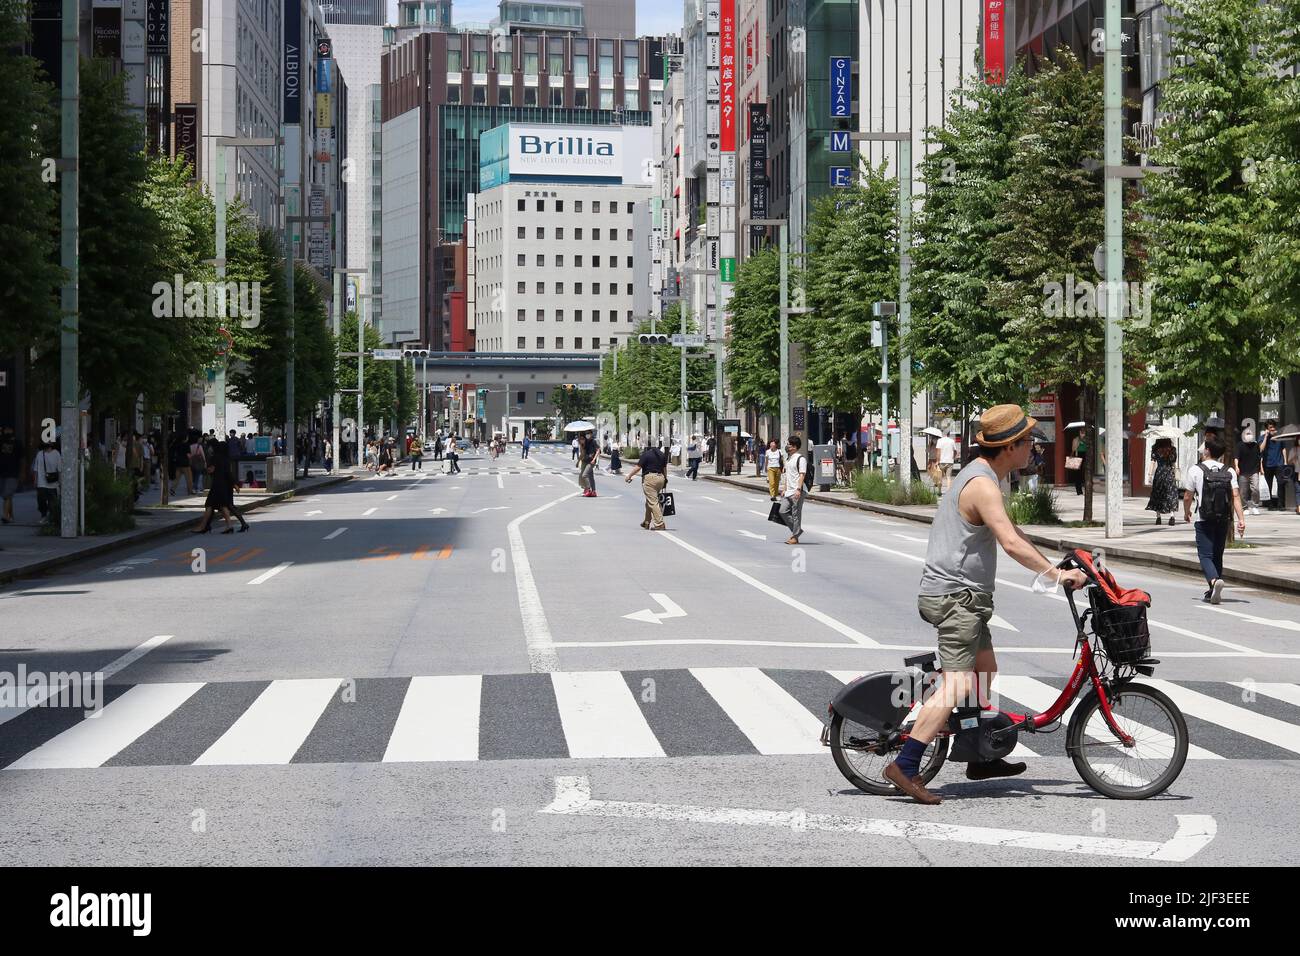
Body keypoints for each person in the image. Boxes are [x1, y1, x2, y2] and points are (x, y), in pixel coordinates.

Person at [883, 405, 1089, 805]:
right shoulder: (982, 484)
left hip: (967, 599)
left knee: (985, 671)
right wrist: (1055, 576)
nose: (1033, 446)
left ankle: (979, 755)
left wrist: (1056, 559)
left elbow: (1012, 532)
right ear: (1010, 446)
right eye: (1029, 440)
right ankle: (905, 766)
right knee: (958, 682)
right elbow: (1010, 544)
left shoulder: (985, 476)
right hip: (954, 598)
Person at [1183, 434, 1245, 605]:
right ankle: (1213, 590)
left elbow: (1188, 496)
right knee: (1217, 554)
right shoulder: (1229, 471)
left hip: (1203, 518)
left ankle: (1213, 582)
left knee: (1205, 555)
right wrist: (1241, 519)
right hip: (1223, 519)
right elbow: (1236, 496)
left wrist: (1186, 512)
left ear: (1207, 450)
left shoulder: (1196, 469)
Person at [193, 444, 249, 534]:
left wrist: (205, 469)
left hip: (217, 484)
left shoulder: (215, 458)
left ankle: (205, 526)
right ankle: (212, 526)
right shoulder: (226, 459)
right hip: (226, 485)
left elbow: (211, 470)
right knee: (223, 505)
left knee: (214, 505)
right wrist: (234, 484)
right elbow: (228, 473)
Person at [625, 441, 669, 530]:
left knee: (653, 502)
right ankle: (646, 522)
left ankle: (659, 523)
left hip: (650, 479)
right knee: (650, 500)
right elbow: (664, 469)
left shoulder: (646, 454)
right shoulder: (661, 454)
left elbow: (638, 467)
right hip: (661, 478)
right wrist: (665, 480)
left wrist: (629, 476)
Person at [778, 436, 808, 545]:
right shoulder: (789, 458)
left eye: (789, 444)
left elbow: (802, 475)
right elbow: (788, 476)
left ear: (794, 447)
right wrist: (784, 489)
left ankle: (795, 537)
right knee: (782, 511)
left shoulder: (801, 459)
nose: (787, 446)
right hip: (788, 491)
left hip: (797, 490)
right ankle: (797, 530)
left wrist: (798, 489)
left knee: (796, 514)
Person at [1145, 438, 1179, 525]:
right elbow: (1174, 463)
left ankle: (1158, 517)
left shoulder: (1156, 449)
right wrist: (1176, 474)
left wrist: (1150, 475)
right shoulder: (1172, 449)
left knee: (1158, 494)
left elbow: (1153, 462)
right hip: (1169, 473)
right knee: (1171, 494)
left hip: (1159, 473)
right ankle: (1172, 516)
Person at [32, 440, 61, 525]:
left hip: (53, 484)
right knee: (41, 501)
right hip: (42, 483)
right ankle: (44, 516)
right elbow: (36, 469)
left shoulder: (56, 454)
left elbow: (59, 469)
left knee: (52, 503)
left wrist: (60, 481)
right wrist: (35, 480)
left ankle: (50, 518)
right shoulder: (40, 454)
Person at [1, 425, 25, 524]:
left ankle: (5, 516)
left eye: (9, 429)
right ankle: (11, 516)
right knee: (8, 496)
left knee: (7, 495)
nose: (7, 431)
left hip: (13, 473)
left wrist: (22, 473)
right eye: (6, 429)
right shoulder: (1, 441)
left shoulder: (18, 443)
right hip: (2, 473)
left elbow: (22, 459)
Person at [1260, 421, 1285, 512]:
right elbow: (1261, 449)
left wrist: (1284, 462)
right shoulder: (1263, 437)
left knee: (1281, 484)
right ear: (1267, 429)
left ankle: (1280, 504)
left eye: (1273, 427)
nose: (1272, 429)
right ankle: (1270, 504)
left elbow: (1283, 449)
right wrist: (1266, 436)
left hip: (1279, 464)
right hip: (1267, 464)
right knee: (1268, 485)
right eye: (1270, 427)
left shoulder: (1279, 437)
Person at [579, 431, 598, 497]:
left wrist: (594, 459)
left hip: (591, 462)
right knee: (591, 477)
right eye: (586, 434)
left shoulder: (593, 441)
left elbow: (598, 450)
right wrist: (581, 444)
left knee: (584, 475)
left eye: (589, 434)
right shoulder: (586, 442)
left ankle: (588, 489)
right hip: (586, 461)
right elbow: (583, 451)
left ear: (591, 434)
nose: (587, 435)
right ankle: (594, 491)